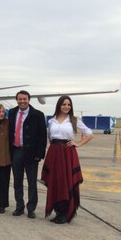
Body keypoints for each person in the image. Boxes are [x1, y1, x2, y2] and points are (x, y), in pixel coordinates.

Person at [41, 96, 93, 224]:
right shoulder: (51, 120)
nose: (66, 107)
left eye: (68, 105)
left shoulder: (74, 120)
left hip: (67, 153)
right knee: (56, 181)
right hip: (54, 153)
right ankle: (58, 211)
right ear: (59, 105)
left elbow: (89, 134)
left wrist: (78, 143)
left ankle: (66, 212)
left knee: (67, 181)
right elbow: (49, 137)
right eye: (64, 104)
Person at [9, 90, 47, 219]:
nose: (22, 101)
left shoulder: (38, 115)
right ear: (17, 100)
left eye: (24, 99)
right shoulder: (12, 112)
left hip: (31, 153)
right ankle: (19, 206)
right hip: (16, 151)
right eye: (20, 99)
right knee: (17, 181)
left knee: (32, 183)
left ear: (29, 100)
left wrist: (39, 154)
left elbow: (42, 136)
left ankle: (31, 208)